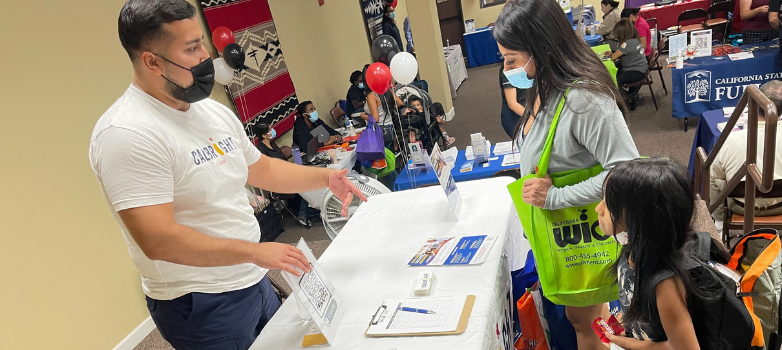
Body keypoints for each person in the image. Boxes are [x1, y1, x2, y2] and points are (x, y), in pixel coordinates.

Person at [89, 1, 366, 349]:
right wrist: (253, 252)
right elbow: (158, 240)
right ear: (152, 61)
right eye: (191, 49)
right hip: (200, 301)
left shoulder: (211, 112)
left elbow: (259, 168)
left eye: (202, 43)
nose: (207, 56)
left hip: (251, 274)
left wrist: (323, 178)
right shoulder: (126, 134)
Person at [494, 0, 639, 349]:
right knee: (586, 319)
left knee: (587, 322)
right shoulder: (546, 86)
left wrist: (553, 197)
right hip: (565, 233)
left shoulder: (583, 99)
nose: (505, 68)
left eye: (511, 59)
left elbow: (625, 170)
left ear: (542, 49)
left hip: (580, 231)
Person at [596, 158, 721, 349]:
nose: (599, 208)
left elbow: (683, 348)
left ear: (639, 219)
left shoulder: (665, 284)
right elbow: (631, 299)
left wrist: (622, 342)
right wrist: (619, 324)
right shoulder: (633, 250)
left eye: (609, 204)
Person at [710, 80, 782, 231]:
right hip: (780, 204)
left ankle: (718, 221)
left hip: (742, 205)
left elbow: (715, 175)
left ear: (754, 103)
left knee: (713, 174)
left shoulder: (732, 140)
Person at [254, 123, 318, 228]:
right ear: (264, 135)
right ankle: (302, 214)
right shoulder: (261, 151)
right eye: (270, 129)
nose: (273, 130)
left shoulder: (272, 144)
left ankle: (309, 207)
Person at [608, 19, 649, 111]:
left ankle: (628, 97)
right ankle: (631, 94)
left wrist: (612, 55)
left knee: (615, 79)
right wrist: (612, 54)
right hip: (641, 68)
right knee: (617, 69)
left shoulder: (627, 43)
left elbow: (613, 58)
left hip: (636, 71)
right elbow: (618, 54)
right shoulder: (634, 40)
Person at [499, 61, 527, 139]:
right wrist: (535, 119)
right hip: (515, 117)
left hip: (530, 110)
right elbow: (512, 104)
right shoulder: (509, 69)